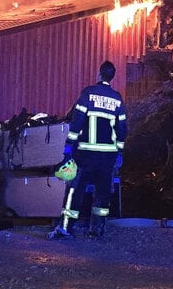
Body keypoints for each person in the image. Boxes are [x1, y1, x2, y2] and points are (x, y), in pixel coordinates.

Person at [48, 60, 127, 240]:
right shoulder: (117, 98)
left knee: (75, 190)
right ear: (112, 77)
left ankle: (66, 228)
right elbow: (122, 129)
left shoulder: (88, 93)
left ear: (99, 74)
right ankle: (97, 231)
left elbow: (77, 122)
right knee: (102, 194)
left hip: (85, 154)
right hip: (107, 157)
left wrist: (68, 147)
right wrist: (119, 153)